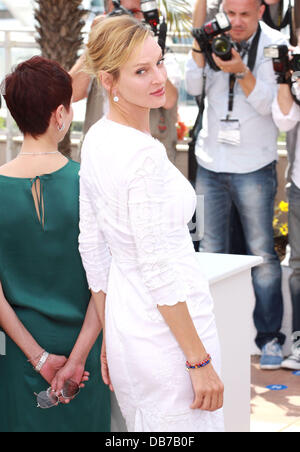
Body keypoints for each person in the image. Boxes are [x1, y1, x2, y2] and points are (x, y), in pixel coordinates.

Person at [77, 15, 224, 433]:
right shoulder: (143, 156)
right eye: (141, 71)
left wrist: (111, 334)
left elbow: (92, 248)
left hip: (129, 333)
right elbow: (158, 268)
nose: (159, 77)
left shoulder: (97, 138)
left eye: (159, 62)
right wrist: (198, 360)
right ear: (109, 81)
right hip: (171, 344)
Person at [0, 56, 110, 432]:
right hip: (87, 355)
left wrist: (39, 358)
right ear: (61, 114)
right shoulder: (91, 183)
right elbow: (104, 282)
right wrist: (78, 358)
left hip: (17, 354)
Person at [186, 0, 287, 370]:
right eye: (231, 13)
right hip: (211, 162)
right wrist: (200, 46)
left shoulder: (276, 44)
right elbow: (192, 85)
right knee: (210, 254)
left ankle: (270, 339)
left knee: (262, 255)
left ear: (261, 11)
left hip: (254, 164)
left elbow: (270, 107)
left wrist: (242, 70)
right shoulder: (213, 35)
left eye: (246, 14)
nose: (237, 22)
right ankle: (211, 339)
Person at [70, 0, 180, 165]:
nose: (129, 20)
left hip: (145, 160)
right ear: (108, 12)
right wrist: (95, 42)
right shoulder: (102, 55)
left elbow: (170, 100)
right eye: (121, 12)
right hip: (101, 157)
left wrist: (150, 55)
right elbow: (71, 93)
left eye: (135, 12)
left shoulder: (157, 47)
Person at [272, 77, 300, 370]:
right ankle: (298, 339)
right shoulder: (293, 74)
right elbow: (284, 120)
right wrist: (287, 80)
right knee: (297, 267)